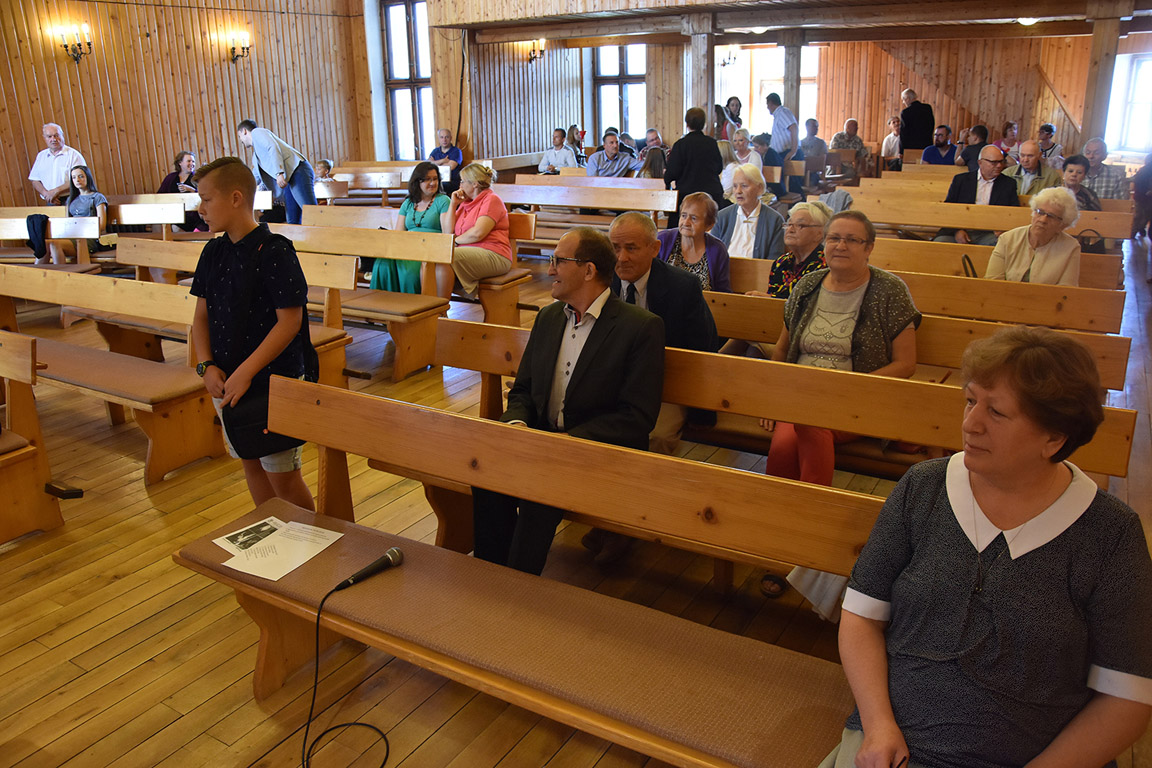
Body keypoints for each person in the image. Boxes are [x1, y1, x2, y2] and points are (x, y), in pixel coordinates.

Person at [824, 325, 1152, 768]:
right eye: (970, 400)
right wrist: (879, 726)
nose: (970, 423)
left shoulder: (1109, 534)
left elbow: (1126, 696)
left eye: (996, 412)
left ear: (1054, 439)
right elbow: (861, 615)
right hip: (892, 743)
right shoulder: (924, 487)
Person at [471, 228, 665, 576]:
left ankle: (515, 586)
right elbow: (523, 390)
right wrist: (517, 424)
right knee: (486, 471)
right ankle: (489, 578)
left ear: (588, 270)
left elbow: (637, 417)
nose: (549, 270)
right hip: (542, 443)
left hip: (598, 454)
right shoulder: (548, 318)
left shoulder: (640, 327)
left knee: (540, 488)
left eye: (558, 261)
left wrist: (568, 442)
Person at [760, 210, 920, 600]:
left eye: (851, 239)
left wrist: (848, 390)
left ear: (869, 247)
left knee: (808, 426)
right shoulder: (808, 285)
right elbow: (781, 349)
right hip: (800, 400)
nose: (840, 246)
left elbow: (906, 364)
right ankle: (792, 549)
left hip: (858, 402)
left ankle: (801, 543)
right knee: (784, 447)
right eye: (834, 238)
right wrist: (772, 398)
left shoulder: (889, 290)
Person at [581, 212, 720, 564]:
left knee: (654, 437)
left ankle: (625, 528)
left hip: (667, 385)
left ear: (655, 248)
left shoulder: (682, 286)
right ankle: (605, 516)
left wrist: (700, 410)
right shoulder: (599, 280)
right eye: (615, 248)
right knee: (588, 428)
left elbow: (700, 350)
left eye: (631, 248)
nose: (621, 258)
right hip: (612, 385)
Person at [188, 156, 316, 512]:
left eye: (206, 199)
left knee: (283, 476)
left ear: (235, 198)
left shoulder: (274, 251)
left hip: (271, 381)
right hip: (227, 379)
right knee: (250, 463)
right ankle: (274, 530)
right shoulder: (213, 251)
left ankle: (310, 538)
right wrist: (206, 365)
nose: (200, 209)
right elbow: (200, 316)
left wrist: (245, 372)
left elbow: (289, 322)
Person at [719, 200, 830, 360]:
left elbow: (808, 310)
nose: (790, 229)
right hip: (772, 327)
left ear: (819, 233)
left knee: (752, 347)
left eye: (800, 225)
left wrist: (769, 300)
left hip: (803, 332)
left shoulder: (824, 265)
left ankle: (716, 361)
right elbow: (770, 308)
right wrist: (761, 301)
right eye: (789, 224)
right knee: (744, 326)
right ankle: (716, 360)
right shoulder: (782, 262)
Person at [371, 161, 449, 294]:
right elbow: (399, 233)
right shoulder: (408, 203)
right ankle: (384, 302)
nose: (432, 183)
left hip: (429, 248)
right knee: (382, 263)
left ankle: (413, 304)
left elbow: (446, 232)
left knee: (409, 272)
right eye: (427, 179)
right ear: (417, 182)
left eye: (435, 179)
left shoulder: (443, 201)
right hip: (408, 246)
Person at [439, 163, 511, 299]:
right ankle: (434, 304)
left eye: (462, 181)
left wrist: (454, 242)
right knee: (433, 258)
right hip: (468, 252)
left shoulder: (491, 199)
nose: (460, 185)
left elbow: (478, 233)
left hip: (494, 254)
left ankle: (440, 306)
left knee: (445, 256)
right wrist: (453, 204)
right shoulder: (465, 203)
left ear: (475, 184)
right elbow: (447, 232)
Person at [985, 187, 1081, 286]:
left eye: (1051, 216)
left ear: (1062, 225)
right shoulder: (1007, 239)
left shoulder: (1070, 247)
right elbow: (992, 283)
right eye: (1040, 212)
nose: (1043, 220)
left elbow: (1066, 290)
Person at [236, 119, 317, 225]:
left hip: (297, 170)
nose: (241, 140)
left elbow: (272, 147)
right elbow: (254, 178)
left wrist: (279, 173)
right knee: (292, 220)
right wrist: (241, 191)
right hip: (288, 178)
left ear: (244, 131)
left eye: (239, 136)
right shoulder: (256, 158)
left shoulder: (257, 132)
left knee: (311, 213)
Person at [935, 145, 1019, 246]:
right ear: (980, 163)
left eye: (1001, 161)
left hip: (989, 233)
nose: (999, 166)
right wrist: (957, 230)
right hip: (961, 228)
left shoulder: (1008, 184)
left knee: (1002, 244)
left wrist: (1002, 229)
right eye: (994, 162)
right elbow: (949, 209)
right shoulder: (961, 180)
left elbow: (1014, 212)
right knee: (940, 243)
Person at [711, 163, 786, 262]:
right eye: (735, 186)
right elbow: (712, 255)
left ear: (759, 188)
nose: (738, 191)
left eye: (744, 186)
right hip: (725, 270)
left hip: (759, 271)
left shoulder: (774, 220)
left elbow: (773, 262)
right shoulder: (722, 217)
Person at [657, 192, 731, 292]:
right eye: (683, 216)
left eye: (693, 218)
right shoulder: (663, 240)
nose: (686, 222)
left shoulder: (717, 250)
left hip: (704, 302)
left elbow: (723, 292)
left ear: (709, 225)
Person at [664, 107, 726, 218]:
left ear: (687, 124)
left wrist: (667, 179)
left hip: (687, 196)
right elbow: (718, 168)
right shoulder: (711, 143)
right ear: (704, 124)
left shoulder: (681, 145)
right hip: (711, 195)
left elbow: (672, 172)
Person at [48, 165, 111, 265]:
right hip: (72, 235)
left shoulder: (97, 197)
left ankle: (60, 272)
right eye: (74, 177)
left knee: (55, 244)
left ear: (87, 177)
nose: (77, 180)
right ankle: (35, 272)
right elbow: (68, 221)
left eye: (81, 176)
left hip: (89, 238)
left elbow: (102, 225)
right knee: (45, 244)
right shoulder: (71, 199)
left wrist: (80, 229)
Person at [28, 123, 87, 204]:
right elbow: (35, 179)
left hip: (72, 199)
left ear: (62, 135)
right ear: (44, 138)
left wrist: (56, 191)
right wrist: (46, 194)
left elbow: (81, 179)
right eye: (49, 136)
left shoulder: (74, 155)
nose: (53, 139)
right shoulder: (41, 156)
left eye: (56, 135)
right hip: (50, 200)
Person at [157, 151, 206, 232]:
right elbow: (160, 194)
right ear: (180, 163)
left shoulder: (197, 178)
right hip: (173, 213)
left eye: (193, 161)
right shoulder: (170, 178)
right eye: (188, 161)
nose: (192, 164)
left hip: (193, 215)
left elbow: (205, 194)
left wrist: (191, 190)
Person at [764, 92, 801, 194]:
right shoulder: (778, 115)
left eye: (767, 105)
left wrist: (793, 151)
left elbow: (794, 128)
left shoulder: (782, 112)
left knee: (794, 187)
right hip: (782, 153)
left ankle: (779, 192)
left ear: (771, 103)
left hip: (788, 153)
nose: (767, 108)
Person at [429, 128, 463, 194]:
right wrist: (443, 161)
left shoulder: (456, 151)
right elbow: (429, 164)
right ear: (439, 139)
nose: (444, 140)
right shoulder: (435, 151)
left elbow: (450, 167)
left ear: (451, 138)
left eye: (446, 137)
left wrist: (435, 163)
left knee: (439, 186)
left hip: (451, 182)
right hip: (436, 179)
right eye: (441, 137)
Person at [1133, 153, 1152, 240]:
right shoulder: (1145, 170)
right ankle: (1133, 232)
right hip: (1143, 198)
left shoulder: (1144, 170)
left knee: (1141, 217)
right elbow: (1138, 183)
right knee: (1140, 217)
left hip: (1143, 197)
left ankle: (1135, 231)